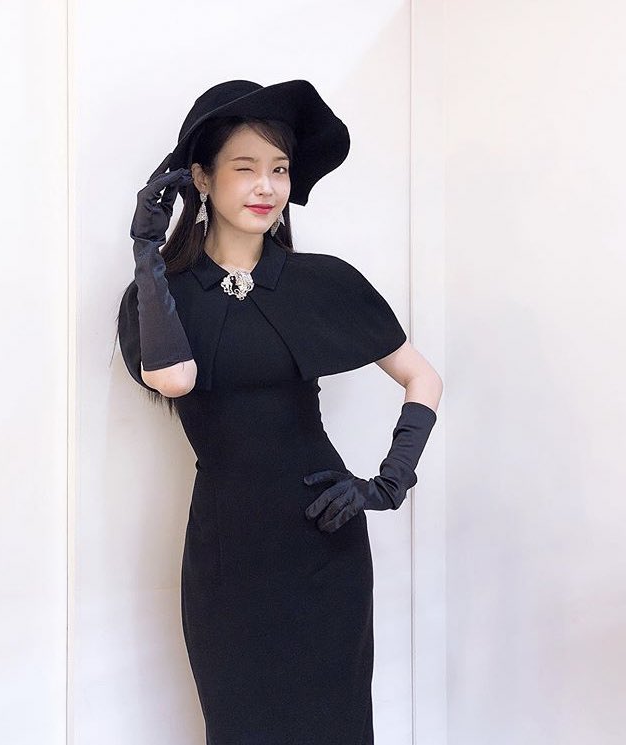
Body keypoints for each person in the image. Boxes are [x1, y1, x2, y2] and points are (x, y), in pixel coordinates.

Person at [115, 79, 442, 745]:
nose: (266, 186)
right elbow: (174, 378)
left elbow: (422, 377)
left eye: (280, 169)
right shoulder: (159, 296)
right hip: (228, 552)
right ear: (201, 178)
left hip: (325, 539)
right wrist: (148, 255)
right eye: (245, 168)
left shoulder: (324, 281)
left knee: (335, 726)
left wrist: (387, 483)